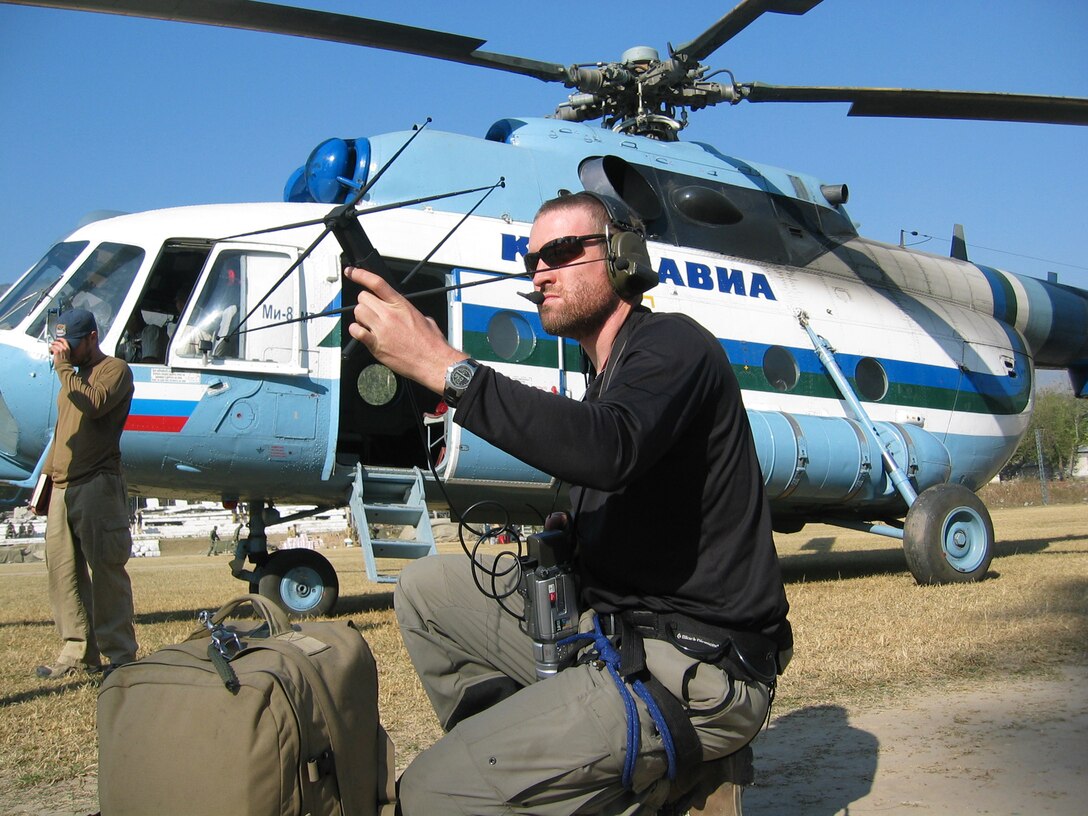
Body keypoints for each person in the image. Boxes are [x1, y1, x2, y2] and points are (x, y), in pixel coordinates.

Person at [344, 192, 791, 815]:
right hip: (610, 632)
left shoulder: (673, 344)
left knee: (430, 792)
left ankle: (662, 776)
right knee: (426, 591)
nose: (539, 273)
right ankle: (528, 767)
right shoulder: (605, 380)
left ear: (622, 257)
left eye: (560, 252)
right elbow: (617, 465)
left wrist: (446, 367)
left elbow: (610, 448)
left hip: (694, 666)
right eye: (533, 260)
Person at [36, 308, 138, 680]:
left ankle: (120, 655)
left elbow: (93, 405)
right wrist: (45, 482)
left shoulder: (115, 370)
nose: (66, 352)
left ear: (92, 338)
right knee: (64, 575)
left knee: (107, 570)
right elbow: (64, 432)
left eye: (73, 345)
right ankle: (78, 653)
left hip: (97, 483)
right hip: (62, 486)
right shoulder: (73, 377)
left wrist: (63, 369)